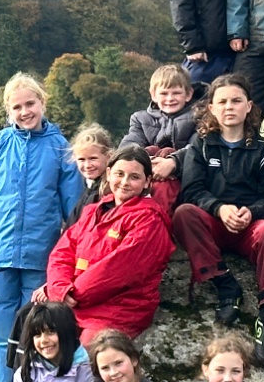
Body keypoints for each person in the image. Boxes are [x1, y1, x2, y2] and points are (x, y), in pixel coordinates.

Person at [0, 74, 83, 382]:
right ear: (7, 110)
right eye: (18, 106)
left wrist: (66, 257)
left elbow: (73, 209)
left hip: (39, 259)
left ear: (43, 103)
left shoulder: (61, 148)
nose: (25, 111)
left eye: (31, 104)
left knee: (35, 330)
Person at [171, 75, 264, 333]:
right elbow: (192, 191)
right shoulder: (201, 146)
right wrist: (218, 208)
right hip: (213, 224)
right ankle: (225, 285)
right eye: (222, 101)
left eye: (236, 101)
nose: (229, 107)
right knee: (183, 214)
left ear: (248, 106)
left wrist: (252, 211)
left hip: (251, 227)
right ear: (212, 108)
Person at [38, 145, 174, 343]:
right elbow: (63, 252)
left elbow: (117, 270)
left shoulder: (149, 221)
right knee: (36, 333)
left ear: (147, 182)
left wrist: (72, 295)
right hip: (75, 303)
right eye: (119, 174)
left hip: (118, 310)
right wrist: (59, 288)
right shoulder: (93, 211)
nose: (125, 182)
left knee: (85, 358)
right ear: (109, 174)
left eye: (134, 177)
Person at [127, 64, 200, 183]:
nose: (170, 98)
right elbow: (129, 146)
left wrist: (173, 162)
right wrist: (148, 161)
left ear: (188, 94)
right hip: (148, 174)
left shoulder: (199, 118)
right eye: (164, 93)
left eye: (176, 93)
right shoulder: (140, 119)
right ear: (153, 95)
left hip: (185, 175)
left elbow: (197, 148)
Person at [67, 124, 115, 222]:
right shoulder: (88, 189)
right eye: (81, 159)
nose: (87, 165)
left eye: (93, 158)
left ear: (108, 156)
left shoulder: (109, 194)